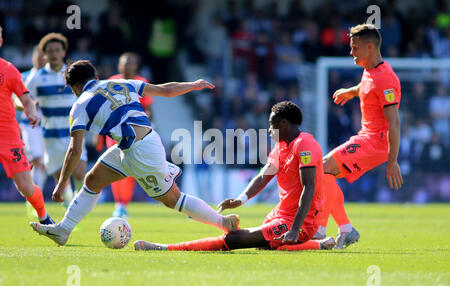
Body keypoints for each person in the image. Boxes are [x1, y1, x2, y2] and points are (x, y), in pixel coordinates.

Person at [29, 60, 239, 245]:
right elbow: (165, 90)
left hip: (140, 152)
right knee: (92, 179)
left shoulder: (79, 106)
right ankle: (64, 230)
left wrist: (62, 182)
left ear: (74, 87)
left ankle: (224, 223)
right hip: (132, 145)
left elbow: (75, 150)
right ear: (95, 76)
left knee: (172, 200)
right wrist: (193, 85)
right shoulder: (120, 83)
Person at [134, 101, 336, 252]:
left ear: (283, 122)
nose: (268, 129)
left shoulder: (305, 144)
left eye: (271, 123)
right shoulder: (281, 146)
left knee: (235, 240)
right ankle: (319, 244)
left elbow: (309, 187)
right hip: (281, 214)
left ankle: (165, 248)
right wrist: (241, 199)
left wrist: (295, 228)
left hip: (301, 221)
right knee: (267, 246)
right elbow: (263, 176)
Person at [315, 24, 403, 248]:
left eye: (355, 48)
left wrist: (392, 161)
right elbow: (366, 86)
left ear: (370, 47)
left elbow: (394, 123)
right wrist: (351, 92)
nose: (351, 52)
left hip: (375, 143)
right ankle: (345, 230)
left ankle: (319, 231)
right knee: (326, 172)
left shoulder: (386, 79)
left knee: (323, 166)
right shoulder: (370, 71)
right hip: (366, 138)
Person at [26, 33, 88, 207]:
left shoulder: (72, 74)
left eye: (57, 50)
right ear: (44, 54)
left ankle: (78, 205)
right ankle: (70, 206)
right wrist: (27, 106)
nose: (54, 54)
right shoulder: (37, 78)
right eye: (50, 51)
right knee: (62, 177)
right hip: (51, 136)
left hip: (73, 132)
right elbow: (23, 98)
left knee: (79, 172)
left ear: (63, 52)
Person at [0, 25, 54, 225]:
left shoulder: (8, 70)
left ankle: (44, 217)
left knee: (25, 187)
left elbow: (25, 97)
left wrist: (31, 111)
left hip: (8, 135)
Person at [96, 52, 154, 218]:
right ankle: (118, 203)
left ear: (136, 66)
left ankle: (121, 203)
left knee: (127, 170)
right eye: (124, 63)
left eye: (131, 63)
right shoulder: (111, 82)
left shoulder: (141, 83)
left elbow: (149, 108)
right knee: (117, 165)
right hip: (114, 133)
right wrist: (98, 133)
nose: (127, 66)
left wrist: (148, 121)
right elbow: (103, 110)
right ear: (119, 65)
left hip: (135, 133)